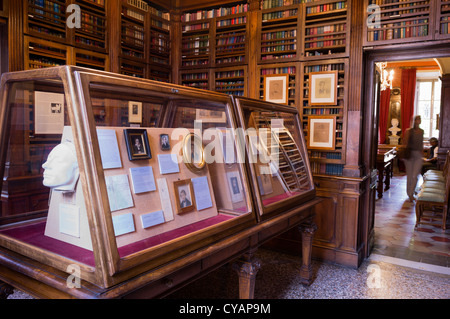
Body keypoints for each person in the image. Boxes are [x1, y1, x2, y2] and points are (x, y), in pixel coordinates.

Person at [402, 115, 424, 202]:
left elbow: (421, 144)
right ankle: (410, 194)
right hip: (409, 155)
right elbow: (405, 143)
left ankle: (412, 191)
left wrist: (422, 155)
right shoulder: (409, 131)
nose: (418, 121)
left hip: (418, 155)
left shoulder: (422, 131)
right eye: (417, 119)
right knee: (410, 176)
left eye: (420, 119)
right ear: (414, 121)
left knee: (415, 176)